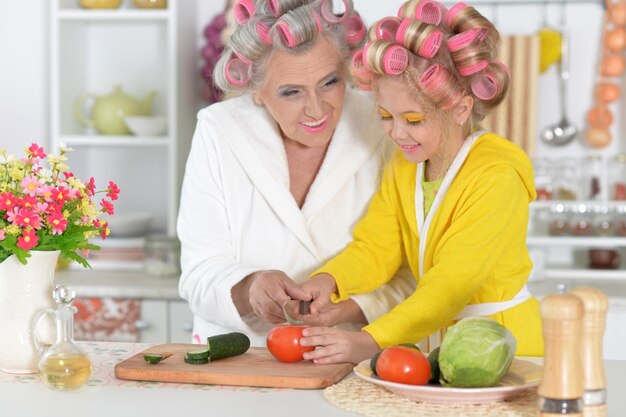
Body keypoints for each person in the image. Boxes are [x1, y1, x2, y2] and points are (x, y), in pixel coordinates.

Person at [297, 0, 544, 365]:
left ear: (460, 109)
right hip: (438, 345)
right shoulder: (405, 167)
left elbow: (449, 286)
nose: (397, 132)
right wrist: (330, 280)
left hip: (504, 347)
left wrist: (370, 341)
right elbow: (376, 247)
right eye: (385, 116)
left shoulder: (496, 177)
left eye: (413, 119)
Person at [177, 0, 415, 347]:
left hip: (358, 356)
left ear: (346, 68)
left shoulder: (384, 125)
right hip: (240, 358)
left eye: (330, 82)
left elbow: (416, 268)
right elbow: (198, 274)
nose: (317, 109)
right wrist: (250, 287)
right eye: (291, 92)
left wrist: (350, 307)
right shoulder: (219, 130)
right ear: (256, 91)